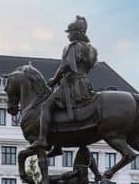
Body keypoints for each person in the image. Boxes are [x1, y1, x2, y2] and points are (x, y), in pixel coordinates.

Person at [42, 16, 99, 148]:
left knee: (46, 106)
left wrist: (54, 80)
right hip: (86, 83)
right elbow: (91, 65)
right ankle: (57, 144)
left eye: (69, 33)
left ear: (76, 33)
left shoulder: (71, 47)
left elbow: (65, 66)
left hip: (72, 85)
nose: (68, 36)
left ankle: (42, 139)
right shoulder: (91, 49)